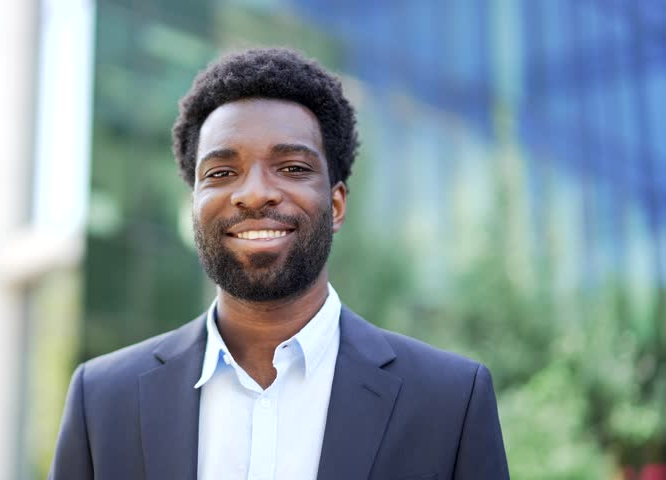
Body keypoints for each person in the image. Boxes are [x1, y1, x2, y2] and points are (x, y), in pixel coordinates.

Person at [49, 47, 509, 480]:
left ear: (337, 205)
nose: (253, 193)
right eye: (222, 173)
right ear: (194, 204)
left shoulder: (449, 401)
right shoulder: (104, 400)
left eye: (291, 167)